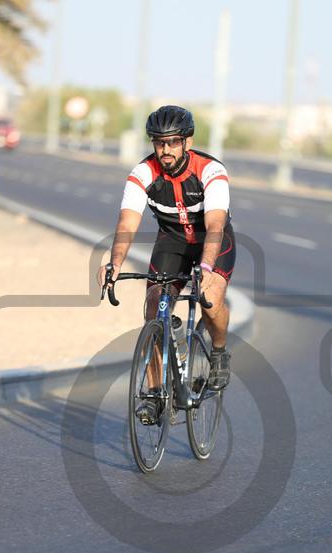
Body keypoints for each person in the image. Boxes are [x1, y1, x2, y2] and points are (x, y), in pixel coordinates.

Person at [97, 105, 235, 423]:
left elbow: (216, 224)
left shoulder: (210, 170)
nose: (166, 150)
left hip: (211, 240)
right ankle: (155, 393)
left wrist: (206, 267)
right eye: (160, 143)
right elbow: (127, 223)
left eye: (173, 142)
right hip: (172, 241)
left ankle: (218, 351)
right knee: (153, 307)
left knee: (211, 299)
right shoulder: (143, 174)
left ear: (187, 142)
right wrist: (114, 264)